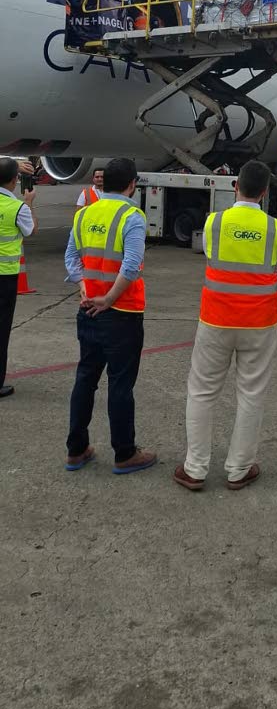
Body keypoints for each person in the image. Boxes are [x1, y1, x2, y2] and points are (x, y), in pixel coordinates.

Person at [174, 159, 277, 493]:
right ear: (265, 192)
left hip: (216, 319)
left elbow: (212, 256)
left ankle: (194, 469)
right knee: (251, 394)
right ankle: (238, 469)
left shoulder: (214, 222)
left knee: (202, 391)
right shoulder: (274, 228)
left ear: (235, 186)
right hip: (259, 321)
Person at [64, 157, 156, 475]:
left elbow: (71, 258)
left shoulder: (86, 213)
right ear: (132, 184)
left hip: (88, 310)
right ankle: (124, 453)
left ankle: (76, 450)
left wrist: (85, 289)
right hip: (122, 311)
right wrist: (109, 298)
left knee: (85, 378)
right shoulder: (132, 215)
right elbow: (130, 266)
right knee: (120, 384)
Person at [0, 158, 37, 398]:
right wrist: (29, 203)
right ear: (15, 180)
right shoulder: (17, 207)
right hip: (5, 278)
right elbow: (30, 230)